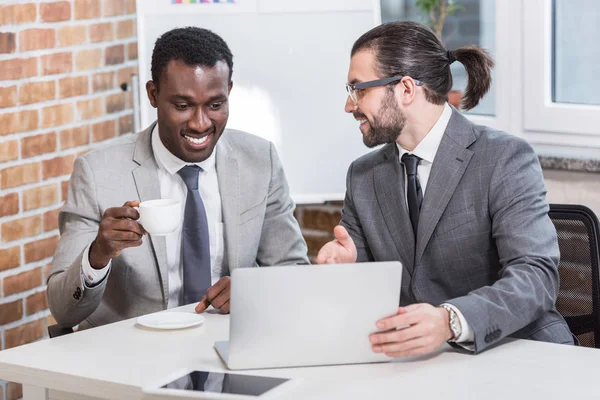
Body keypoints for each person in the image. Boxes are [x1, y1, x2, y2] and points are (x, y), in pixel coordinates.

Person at [317, 21, 573, 355]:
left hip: (516, 352)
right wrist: (347, 268)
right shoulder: (363, 175)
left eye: (359, 89)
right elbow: (372, 289)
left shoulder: (503, 158)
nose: (350, 106)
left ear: (406, 89)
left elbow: (536, 278)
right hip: (421, 365)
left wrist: (451, 321)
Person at [48, 27, 308, 329]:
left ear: (229, 93)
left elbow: (293, 271)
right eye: (183, 106)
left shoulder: (260, 160)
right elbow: (63, 310)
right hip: (132, 360)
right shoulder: (97, 172)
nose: (200, 124)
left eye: (215, 105)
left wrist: (255, 291)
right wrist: (99, 253)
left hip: (229, 352)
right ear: (153, 94)